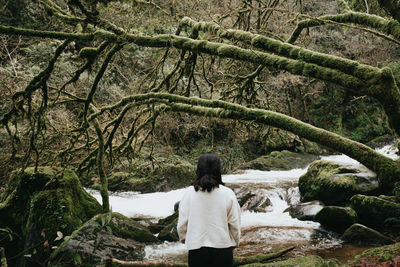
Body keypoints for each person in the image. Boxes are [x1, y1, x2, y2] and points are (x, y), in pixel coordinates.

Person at [177, 153, 241, 267]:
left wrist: (186, 240)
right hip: (223, 249)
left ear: (198, 170)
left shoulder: (188, 194)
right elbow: (235, 224)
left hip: (196, 250)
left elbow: (182, 225)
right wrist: (234, 243)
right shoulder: (228, 193)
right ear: (218, 170)